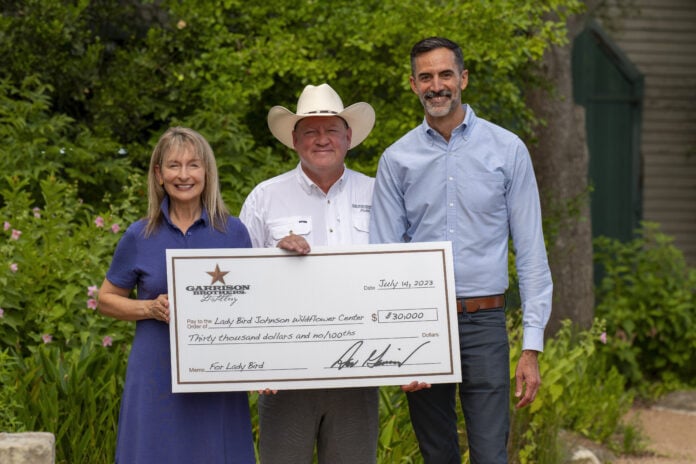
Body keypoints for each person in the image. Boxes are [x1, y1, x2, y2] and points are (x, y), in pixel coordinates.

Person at [369, 37, 553, 463]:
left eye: (445, 74)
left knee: (491, 454)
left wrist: (531, 347)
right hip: (421, 324)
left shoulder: (507, 151)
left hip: (484, 323)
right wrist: (397, 343)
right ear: (413, 85)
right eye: (426, 77)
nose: (437, 85)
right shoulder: (397, 160)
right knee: (437, 455)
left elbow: (531, 254)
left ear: (463, 79)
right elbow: (384, 259)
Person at [97, 127, 256, 464]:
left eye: (193, 165)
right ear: (159, 174)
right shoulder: (140, 234)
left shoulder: (233, 232)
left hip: (217, 373)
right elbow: (106, 300)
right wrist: (149, 307)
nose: (184, 175)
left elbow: (254, 301)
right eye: (173, 165)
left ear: (207, 173)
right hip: (155, 370)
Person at [239, 83, 378, 464]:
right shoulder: (264, 197)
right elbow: (240, 284)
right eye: (310, 131)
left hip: (360, 371)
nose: (322, 140)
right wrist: (256, 367)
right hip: (285, 375)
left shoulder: (379, 194)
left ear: (348, 137)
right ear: (295, 140)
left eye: (331, 130)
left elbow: (399, 277)